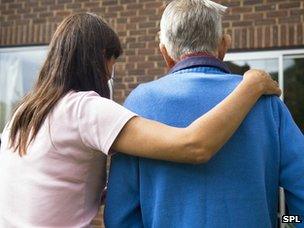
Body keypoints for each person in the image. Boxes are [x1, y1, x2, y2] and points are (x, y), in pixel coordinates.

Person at [0, 13, 280, 227]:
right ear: (101, 57)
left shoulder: (24, 113)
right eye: (114, 61)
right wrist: (251, 85)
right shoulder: (84, 109)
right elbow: (194, 146)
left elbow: (52, 182)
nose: (112, 73)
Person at [104, 1, 304, 228]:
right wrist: (287, 221)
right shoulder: (266, 102)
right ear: (223, 46)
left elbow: (120, 217)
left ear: (164, 53)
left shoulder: (139, 104)